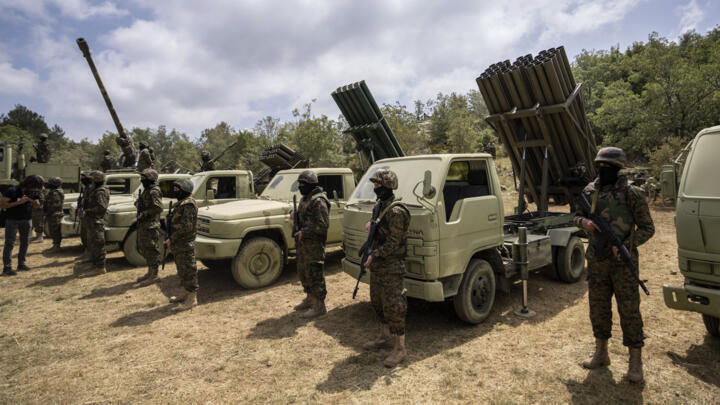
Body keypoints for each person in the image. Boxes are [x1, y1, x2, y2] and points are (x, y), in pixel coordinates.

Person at [574, 147, 655, 383]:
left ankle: (635, 363)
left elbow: (648, 228)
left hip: (622, 265)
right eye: (600, 166)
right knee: (598, 309)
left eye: (608, 167)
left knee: (629, 312)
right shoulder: (589, 191)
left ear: (619, 169)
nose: (603, 170)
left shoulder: (633, 194)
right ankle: (601, 354)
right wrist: (585, 222)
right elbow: (575, 217)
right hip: (597, 262)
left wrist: (628, 246)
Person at [361, 170, 410, 368]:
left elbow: (393, 242)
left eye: (378, 185)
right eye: (374, 185)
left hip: (391, 265)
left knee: (394, 305)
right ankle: (384, 337)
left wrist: (374, 254)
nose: (375, 188)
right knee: (377, 301)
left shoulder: (397, 211)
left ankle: (400, 348)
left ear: (387, 186)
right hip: (379, 264)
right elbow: (378, 230)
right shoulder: (380, 206)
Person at [292, 170, 330, 318]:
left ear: (311, 184)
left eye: (303, 183)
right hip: (304, 244)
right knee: (303, 271)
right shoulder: (305, 199)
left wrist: (305, 232)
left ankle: (319, 306)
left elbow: (323, 225)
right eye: (299, 183)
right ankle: (310, 299)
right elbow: (306, 217)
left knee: (315, 273)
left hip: (314, 245)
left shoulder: (318, 200)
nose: (300, 186)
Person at [166, 178, 199, 311]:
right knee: (182, 269)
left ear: (184, 189)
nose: (175, 191)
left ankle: (192, 299)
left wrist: (171, 238)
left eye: (177, 189)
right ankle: (185, 293)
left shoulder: (188, 204)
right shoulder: (181, 203)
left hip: (185, 243)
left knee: (189, 270)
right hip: (179, 243)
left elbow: (187, 226)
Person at [1, 177, 41, 275]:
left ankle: (21, 263)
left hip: (26, 220)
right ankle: (7, 267)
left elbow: (37, 205)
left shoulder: (33, 192)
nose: (34, 189)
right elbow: (3, 205)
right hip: (12, 220)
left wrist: (34, 203)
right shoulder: (12, 190)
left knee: (25, 242)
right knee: (10, 243)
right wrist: (20, 202)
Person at [73, 171, 110, 277]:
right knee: (92, 244)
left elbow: (101, 208)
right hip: (91, 221)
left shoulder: (100, 191)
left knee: (98, 244)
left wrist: (87, 211)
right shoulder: (95, 190)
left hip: (96, 222)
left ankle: (100, 267)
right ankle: (95, 265)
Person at [134, 169, 164, 287]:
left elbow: (158, 208)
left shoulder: (154, 191)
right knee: (145, 248)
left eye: (144, 178)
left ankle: (154, 275)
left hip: (151, 225)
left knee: (151, 249)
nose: (142, 180)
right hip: (145, 224)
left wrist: (145, 213)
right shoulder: (147, 190)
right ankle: (150, 272)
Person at [43, 177, 64, 253]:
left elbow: (54, 205)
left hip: (54, 214)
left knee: (55, 231)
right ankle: (55, 245)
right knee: (52, 230)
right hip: (53, 213)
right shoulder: (55, 191)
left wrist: (47, 213)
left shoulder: (55, 193)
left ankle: (57, 246)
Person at [28, 176, 45, 242]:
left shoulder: (39, 190)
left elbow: (40, 200)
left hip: (38, 209)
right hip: (35, 208)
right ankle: (35, 237)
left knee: (38, 223)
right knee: (33, 222)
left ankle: (39, 237)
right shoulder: (38, 189)